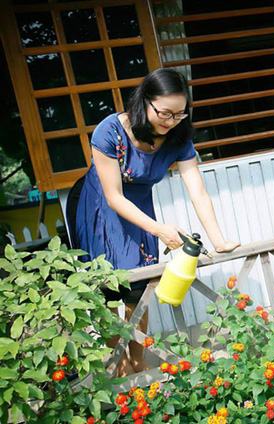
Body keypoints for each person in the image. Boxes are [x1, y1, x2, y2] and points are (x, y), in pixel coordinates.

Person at [72, 68, 239, 376]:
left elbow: (197, 190)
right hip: (99, 204)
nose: (170, 120)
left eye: (179, 114)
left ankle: (138, 360)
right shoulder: (111, 131)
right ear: (144, 102)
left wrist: (218, 239)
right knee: (110, 290)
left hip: (139, 206)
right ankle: (119, 365)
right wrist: (158, 228)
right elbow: (113, 197)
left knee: (139, 288)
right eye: (164, 112)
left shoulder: (179, 136)